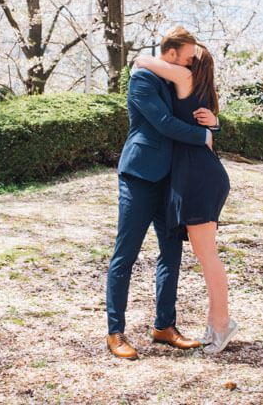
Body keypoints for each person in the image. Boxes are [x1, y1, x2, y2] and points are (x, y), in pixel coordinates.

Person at [105, 26, 220, 360]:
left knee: (171, 253)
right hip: (140, 176)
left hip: (172, 180)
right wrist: (204, 139)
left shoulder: (176, 80)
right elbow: (164, 124)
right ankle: (115, 333)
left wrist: (213, 125)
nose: (189, 63)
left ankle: (164, 326)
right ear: (171, 53)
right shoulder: (142, 80)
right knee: (125, 254)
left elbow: (195, 114)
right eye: (187, 57)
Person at [133, 42, 236, 355]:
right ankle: (215, 322)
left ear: (195, 63)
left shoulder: (184, 76)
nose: (189, 57)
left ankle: (221, 324)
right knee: (206, 255)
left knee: (207, 255)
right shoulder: (201, 86)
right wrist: (213, 127)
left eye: (193, 55)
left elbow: (141, 60)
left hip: (199, 178)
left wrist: (143, 56)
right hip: (197, 175)